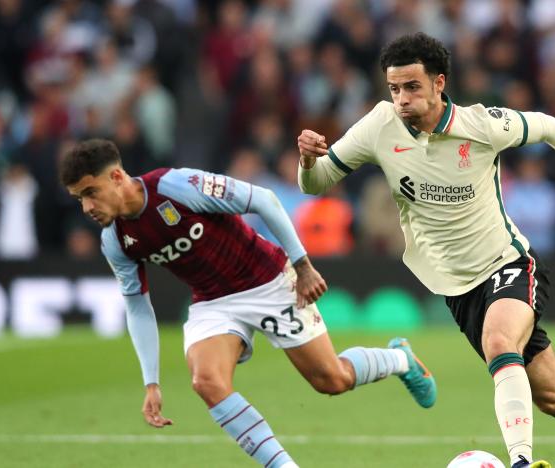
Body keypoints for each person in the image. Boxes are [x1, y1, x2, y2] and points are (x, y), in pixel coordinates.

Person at [297, 33, 555, 468]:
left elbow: (549, 126)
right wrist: (306, 162)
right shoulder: (379, 127)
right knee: (553, 396)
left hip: (508, 263)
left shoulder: (481, 124)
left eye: (412, 87)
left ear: (438, 82)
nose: (402, 99)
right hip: (457, 287)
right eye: (394, 89)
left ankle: (522, 461)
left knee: (499, 340)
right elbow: (317, 184)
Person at [58, 139, 436, 468]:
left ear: (117, 177)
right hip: (213, 302)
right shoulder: (115, 240)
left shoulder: (175, 185)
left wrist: (302, 265)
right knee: (206, 381)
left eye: (90, 192)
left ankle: (401, 359)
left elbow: (265, 201)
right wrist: (151, 382)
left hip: (268, 280)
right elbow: (138, 306)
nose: (86, 207)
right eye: (79, 198)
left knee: (331, 380)